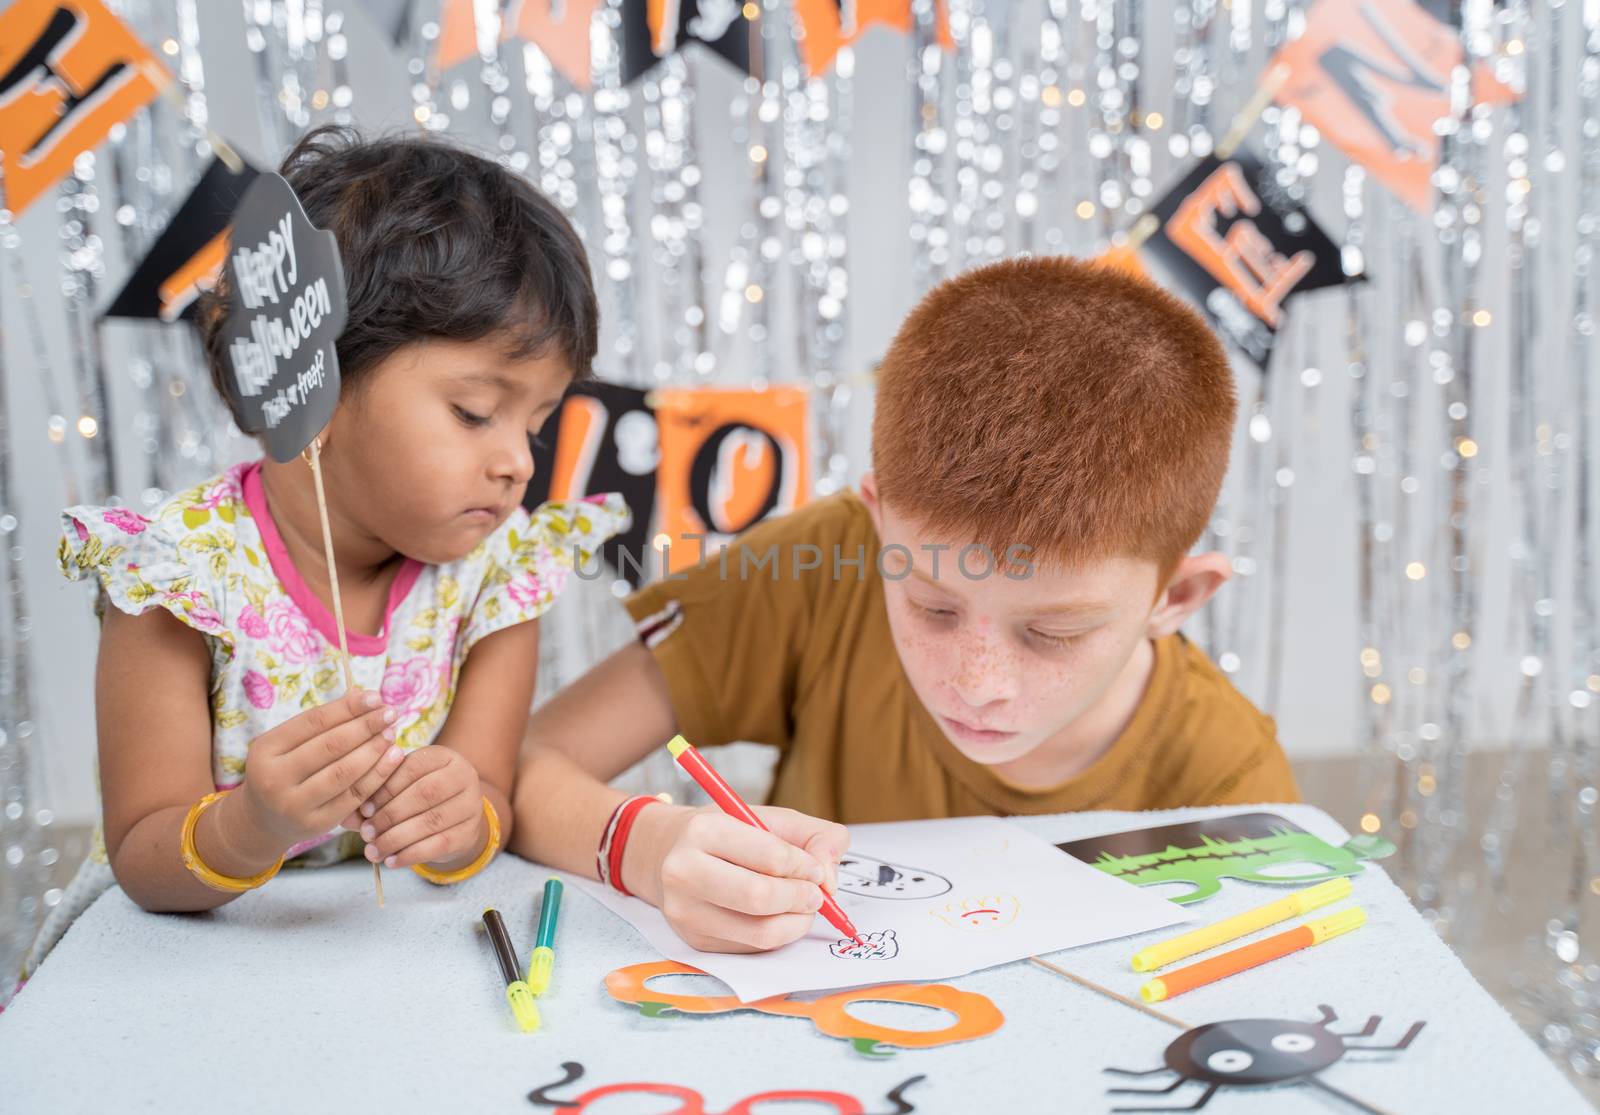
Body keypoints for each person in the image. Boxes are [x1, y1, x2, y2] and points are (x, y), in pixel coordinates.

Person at [511, 255, 1298, 954]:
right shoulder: (825, 566)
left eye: (1054, 633)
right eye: (932, 606)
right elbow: (520, 764)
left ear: (1177, 597)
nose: (978, 681)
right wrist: (643, 847)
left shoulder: (1228, 775)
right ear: (877, 520)